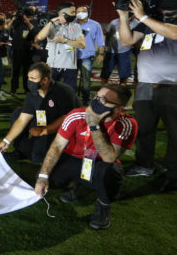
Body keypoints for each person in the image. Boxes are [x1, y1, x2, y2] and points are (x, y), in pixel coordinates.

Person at [34, 84, 137, 230]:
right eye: (97, 97)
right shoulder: (77, 114)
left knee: (111, 172)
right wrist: (43, 177)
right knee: (44, 176)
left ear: (119, 108)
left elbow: (109, 157)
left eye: (104, 100)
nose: (97, 102)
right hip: (74, 160)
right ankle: (77, 185)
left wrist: (93, 125)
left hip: (99, 165)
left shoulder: (126, 123)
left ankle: (103, 206)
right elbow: (57, 146)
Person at [118, 0, 177, 192]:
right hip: (145, 86)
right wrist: (123, 17)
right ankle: (144, 164)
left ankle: (173, 173)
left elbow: (174, 33)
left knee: (175, 132)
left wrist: (143, 16)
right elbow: (127, 40)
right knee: (144, 129)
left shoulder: (156, 20)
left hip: (172, 87)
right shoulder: (150, 21)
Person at [0, 62, 80, 163]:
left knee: (37, 157)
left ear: (45, 80)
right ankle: (19, 151)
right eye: (29, 78)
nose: (29, 81)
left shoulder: (64, 91)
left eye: (33, 79)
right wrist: (6, 141)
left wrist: (43, 130)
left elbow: (66, 119)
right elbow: (23, 119)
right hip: (44, 123)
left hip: (64, 129)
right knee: (18, 113)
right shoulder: (33, 95)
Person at [33, 1, 85, 91]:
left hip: (70, 67)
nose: (75, 14)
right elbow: (38, 38)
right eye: (73, 12)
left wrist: (64, 40)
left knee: (70, 93)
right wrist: (51, 22)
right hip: (52, 66)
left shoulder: (76, 26)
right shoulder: (52, 25)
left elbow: (82, 44)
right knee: (48, 92)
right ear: (63, 14)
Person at [76, 5, 105, 104]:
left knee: (86, 79)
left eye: (82, 11)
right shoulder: (73, 24)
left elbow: (100, 41)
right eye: (77, 11)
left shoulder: (95, 25)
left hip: (87, 56)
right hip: (72, 56)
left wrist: (101, 54)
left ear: (87, 12)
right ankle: (72, 99)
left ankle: (85, 99)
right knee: (71, 79)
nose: (79, 13)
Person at [101, 16, 138, 86]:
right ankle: (102, 91)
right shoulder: (114, 22)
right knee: (105, 74)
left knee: (124, 76)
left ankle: (122, 93)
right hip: (111, 52)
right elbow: (108, 35)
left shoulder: (137, 23)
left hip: (125, 52)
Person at [9, 8, 36, 95]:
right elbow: (9, 27)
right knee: (16, 70)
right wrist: (14, 17)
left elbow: (33, 29)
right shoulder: (18, 21)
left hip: (28, 50)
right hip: (17, 49)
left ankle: (27, 88)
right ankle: (13, 89)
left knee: (27, 71)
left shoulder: (32, 22)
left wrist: (27, 21)